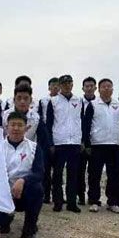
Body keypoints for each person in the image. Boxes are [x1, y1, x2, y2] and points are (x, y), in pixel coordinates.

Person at [0, 112, 44, 238]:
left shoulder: (34, 148)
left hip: (24, 192)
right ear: (6, 127)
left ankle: (28, 231)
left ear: (26, 128)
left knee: (37, 189)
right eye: (13, 125)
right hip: (3, 193)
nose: (16, 128)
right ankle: (6, 219)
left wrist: (23, 180)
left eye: (20, 125)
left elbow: (39, 173)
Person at [83, 78, 119, 214]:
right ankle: (94, 201)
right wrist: (87, 144)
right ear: (99, 89)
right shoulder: (93, 105)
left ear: (112, 89)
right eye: (104, 86)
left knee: (114, 175)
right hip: (97, 144)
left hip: (114, 144)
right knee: (95, 174)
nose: (106, 88)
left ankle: (113, 202)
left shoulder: (118, 105)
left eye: (109, 86)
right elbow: (86, 125)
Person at [46, 74, 82, 213]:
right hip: (59, 142)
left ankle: (72, 203)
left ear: (72, 84)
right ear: (60, 85)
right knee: (57, 174)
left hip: (75, 142)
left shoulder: (79, 100)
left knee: (73, 174)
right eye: (64, 83)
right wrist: (51, 143)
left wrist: (82, 140)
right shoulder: (53, 101)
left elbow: (82, 121)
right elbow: (49, 123)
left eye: (69, 83)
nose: (67, 85)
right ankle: (58, 202)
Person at [1, 84, 48, 150]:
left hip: (28, 152)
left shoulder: (36, 118)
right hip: (7, 151)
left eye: (26, 98)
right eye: (19, 98)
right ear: (14, 100)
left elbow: (43, 140)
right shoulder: (4, 115)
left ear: (30, 100)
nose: (22, 101)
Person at [37, 77, 59, 204]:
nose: (55, 87)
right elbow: (40, 118)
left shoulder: (62, 101)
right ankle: (45, 195)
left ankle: (57, 196)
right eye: (53, 85)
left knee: (58, 169)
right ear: (49, 87)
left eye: (57, 85)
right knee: (45, 168)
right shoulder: (43, 101)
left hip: (59, 136)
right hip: (46, 137)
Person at [78, 76, 97, 206]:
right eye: (87, 86)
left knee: (94, 171)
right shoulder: (78, 103)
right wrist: (81, 141)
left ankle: (93, 198)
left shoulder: (99, 104)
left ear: (95, 88)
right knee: (79, 171)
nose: (89, 88)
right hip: (80, 142)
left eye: (91, 86)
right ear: (83, 88)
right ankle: (80, 196)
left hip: (95, 142)